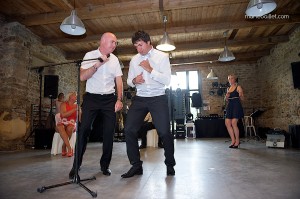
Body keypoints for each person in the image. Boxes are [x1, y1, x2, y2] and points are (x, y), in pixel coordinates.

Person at [121, 30, 176, 178]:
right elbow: (128, 81)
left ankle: (170, 163)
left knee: (164, 132)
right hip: (140, 97)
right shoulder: (134, 60)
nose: (139, 49)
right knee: (129, 130)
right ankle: (136, 165)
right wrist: (134, 81)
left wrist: (150, 70)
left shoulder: (162, 57)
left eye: (141, 45)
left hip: (158, 96)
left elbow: (167, 80)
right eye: (136, 46)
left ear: (148, 42)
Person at [69, 32, 123, 179]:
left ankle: (105, 166)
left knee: (108, 133)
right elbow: (82, 77)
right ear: (103, 41)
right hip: (91, 98)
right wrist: (98, 64)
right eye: (112, 42)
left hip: (109, 99)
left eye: (116, 43)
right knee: (84, 129)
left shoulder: (115, 60)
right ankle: (76, 165)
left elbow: (119, 81)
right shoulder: (90, 55)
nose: (115, 45)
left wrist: (119, 99)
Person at [225, 74, 244, 148]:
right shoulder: (228, 88)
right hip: (230, 106)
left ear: (235, 79)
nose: (230, 80)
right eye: (229, 78)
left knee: (233, 123)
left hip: (236, 105)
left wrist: (241, 94)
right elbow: (227, 100)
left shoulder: (238, 87)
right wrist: (226, 97)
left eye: (231, 78)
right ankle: (233, 141)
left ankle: (237, 141)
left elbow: (242, 99)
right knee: (227, 123)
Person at [56, 92, 78, 157]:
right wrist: (74, 110)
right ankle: (69, 148)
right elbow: (63, 115)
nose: (76, 97)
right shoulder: (63, 104)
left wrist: (81, 112)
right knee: (60, 127)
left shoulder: (77, 106)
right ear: (70, 96)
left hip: (72, 123)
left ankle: (64, 146)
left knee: (70, 127)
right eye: (75, 95)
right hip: (63, 121)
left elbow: (79, 119)